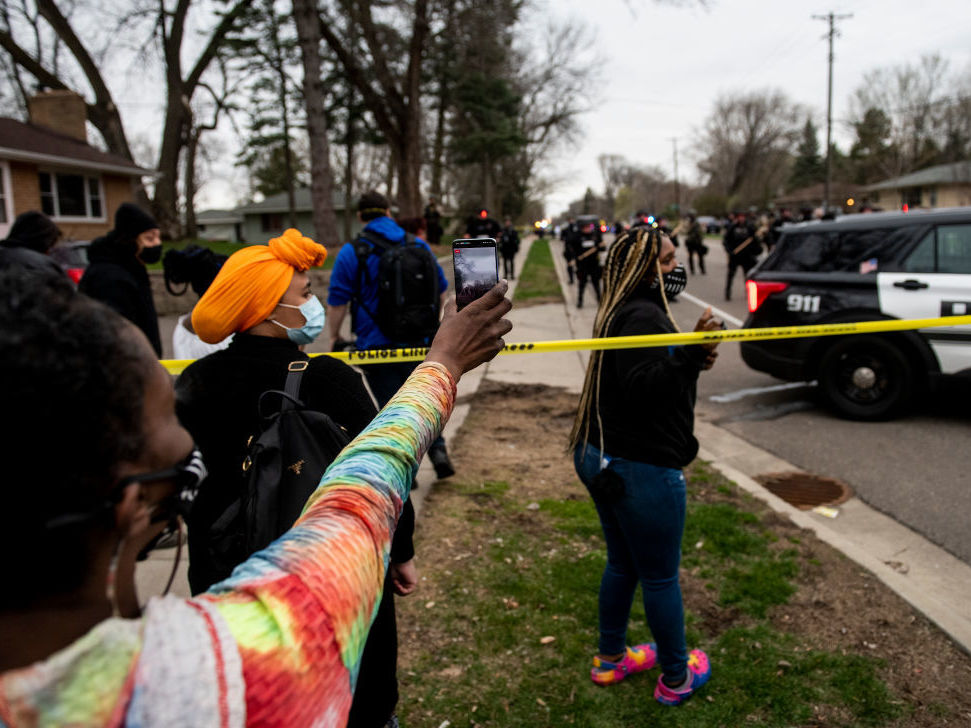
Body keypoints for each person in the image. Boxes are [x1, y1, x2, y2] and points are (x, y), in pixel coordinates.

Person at [0, 262, 512, 726]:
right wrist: (443, 362)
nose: (186, 448)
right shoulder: (234, 671)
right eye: (170, 440)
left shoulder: (196, 382)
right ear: (134, 505)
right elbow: (364, 491)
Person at [176, 228, 410, 728]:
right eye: (304, 294)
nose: (315, 303)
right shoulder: (329, 380)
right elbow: (384, 470)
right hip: (335, 590)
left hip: (231, 593)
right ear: (265, 308)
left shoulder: (194, 384)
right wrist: (402, 551)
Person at [569, 226, 718, 708]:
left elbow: (645, 372)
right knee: (658, 577)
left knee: (623, 564)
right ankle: (677, 676)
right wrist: (690, 355)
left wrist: (689, 355)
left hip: (604, 455)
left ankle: (610, 659)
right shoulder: (642, 316)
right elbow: (646, 389)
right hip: (638, 467)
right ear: (645, 271)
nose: (677, 269)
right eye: (669, 261)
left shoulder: (625, 309)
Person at [327, 191, 455, 480]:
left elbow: (337, 302)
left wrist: (334, 336)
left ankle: (406, 471)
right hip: (420, 343)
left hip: (375, 346)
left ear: (360, 217)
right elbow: (441, 290)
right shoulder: (417, 244)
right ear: (388, 212)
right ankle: (438, 449)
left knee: (393, 410)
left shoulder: (352, 252)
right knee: (425, 401)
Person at [79, 202, 163, 355]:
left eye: (158, 237)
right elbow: (114, 334)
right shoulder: (108, 278)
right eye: (149, 238)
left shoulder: (133, 266)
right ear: (130, 240)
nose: (157, 244)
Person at [722, 211, 758, 301]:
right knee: (731, 275)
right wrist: (729, 251)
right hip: (735, 256)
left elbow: (755, 241)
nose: (741, 219)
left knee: (748, 276)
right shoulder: (732, 227)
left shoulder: (750, 228)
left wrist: (754, 251)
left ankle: (749, 293)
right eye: (740, 217)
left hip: (746, 257)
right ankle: (727, 293)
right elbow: (726, 240)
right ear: (737, 218)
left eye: (743, 217)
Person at [575, 218, 605, 308]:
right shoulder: (578, 237)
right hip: (583, 265)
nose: (587, 229)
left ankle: (599, 300)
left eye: (589, 227)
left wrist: (599, 247)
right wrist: (577, 258)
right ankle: (580, 301)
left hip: (594, 264)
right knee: (582, 284)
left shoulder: (595, 236)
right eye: (586, 227)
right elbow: (574, 250)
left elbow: (603, 248)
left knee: (596, 283)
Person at [561, 215, 579, 284]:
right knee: (569, 265)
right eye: (570, 220)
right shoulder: (565, 229)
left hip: (577, 250)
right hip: (568, 250)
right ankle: (571, 279)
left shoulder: (577, 229)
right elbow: (562, 238)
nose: (571, 221)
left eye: (572, 220)